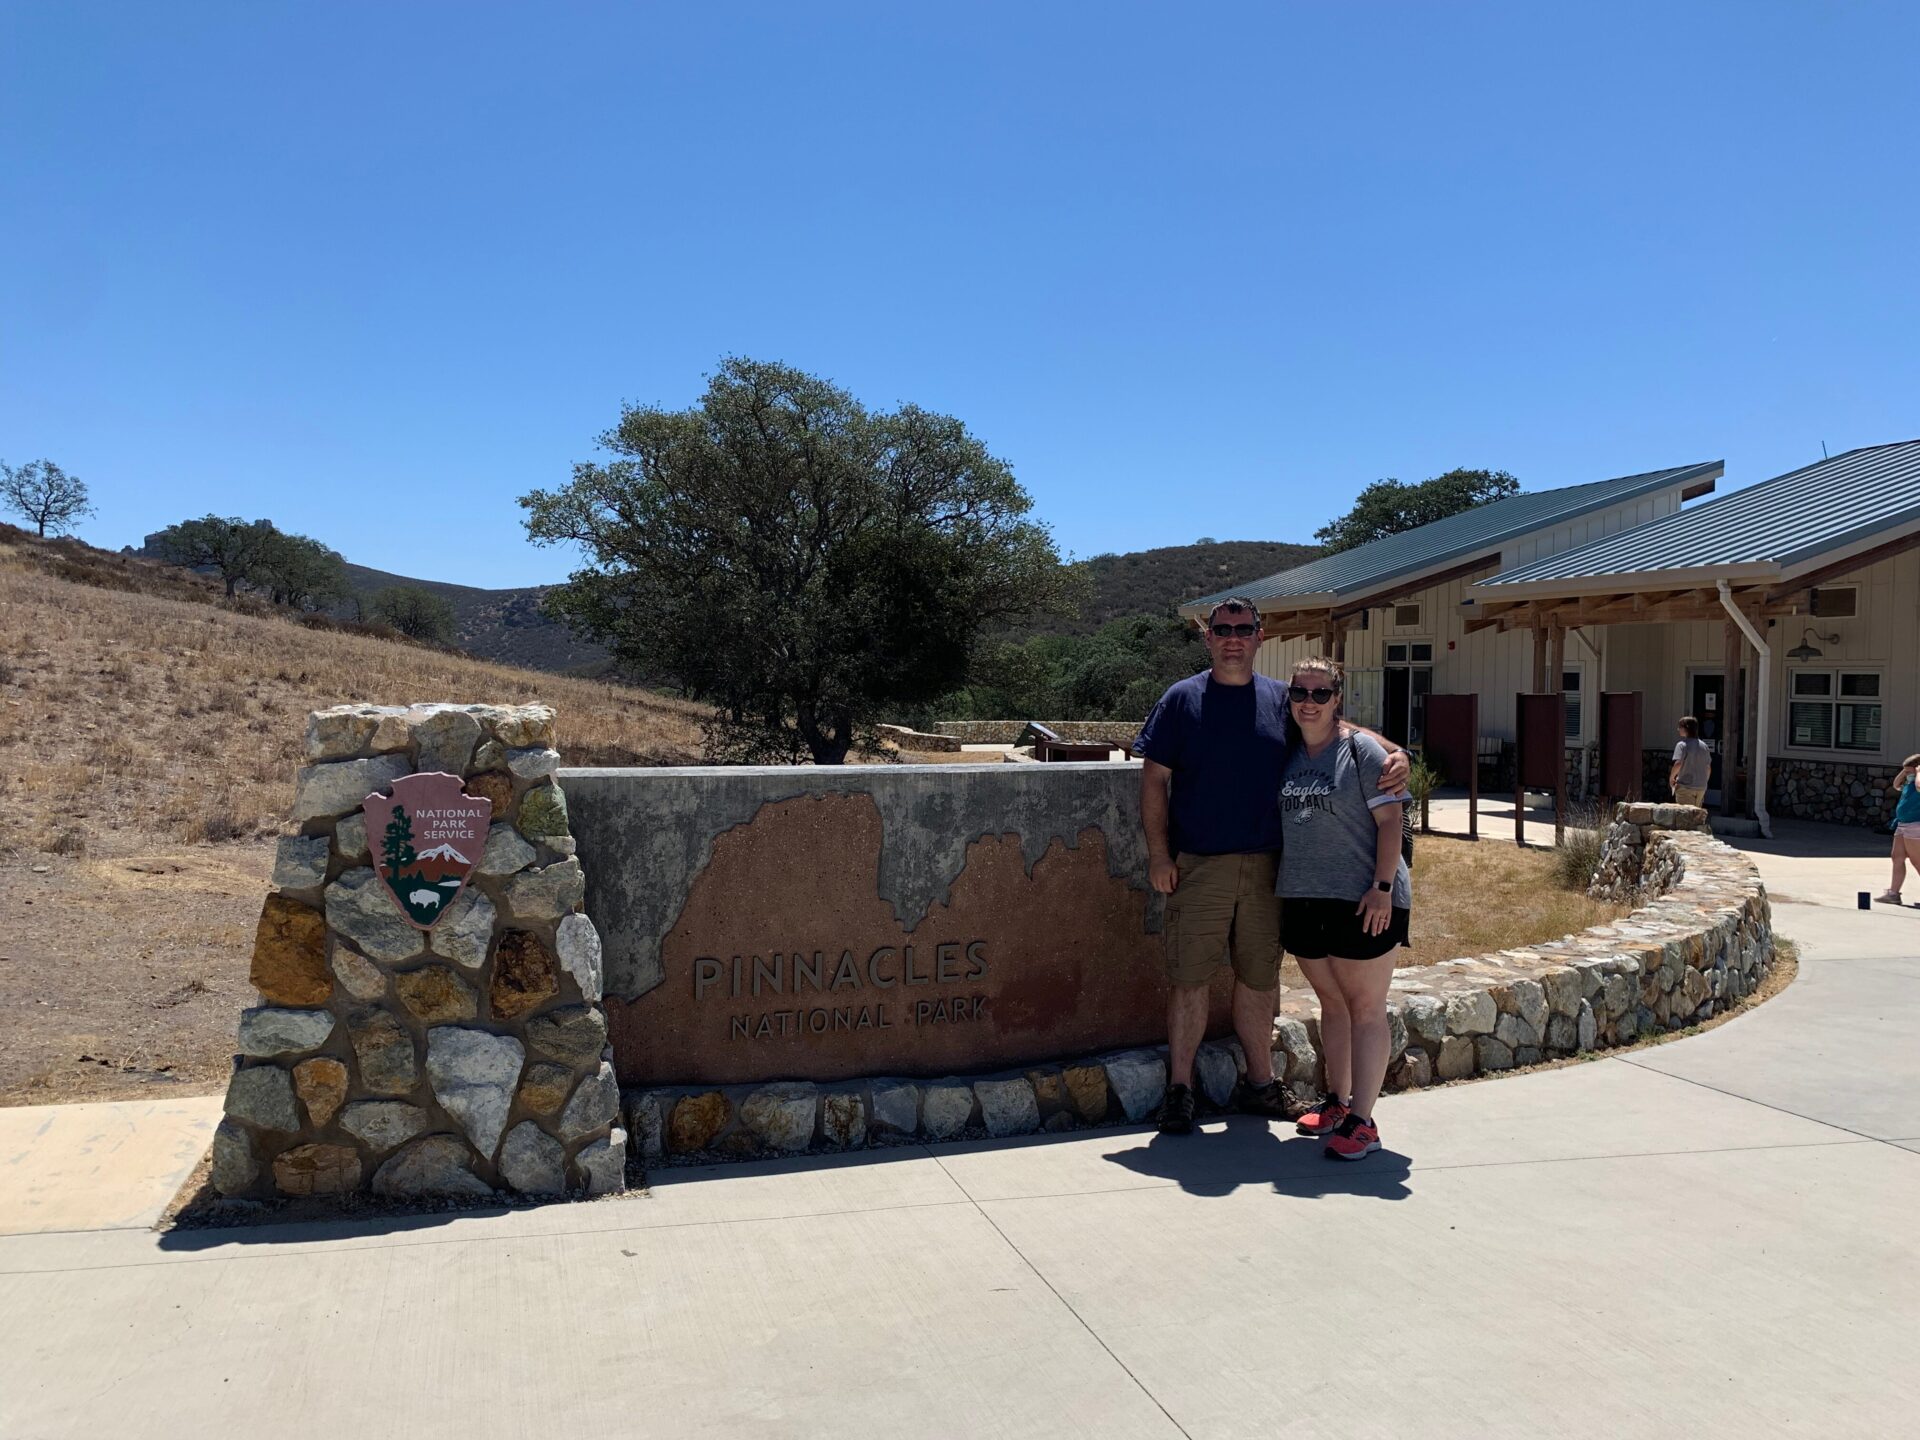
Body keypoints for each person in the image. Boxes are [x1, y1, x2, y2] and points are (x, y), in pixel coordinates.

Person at [1135, 598, 1407, 1136]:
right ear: (1207, 637)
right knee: (1190, 979)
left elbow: (1335, 722)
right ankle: (1181, 1090)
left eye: (1243, 629)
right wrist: (1160, 854)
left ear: (1261, 636)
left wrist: (1397, 752)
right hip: (1200, 866)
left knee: (1259, 979)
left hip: (1270, 870)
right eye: (1222, 629)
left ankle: (1260, 1083)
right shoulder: (1180, 700)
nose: (1232, 637)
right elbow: (1153, 780)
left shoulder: (1282, 699)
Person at [1275, 657, 1411, 1162]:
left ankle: (1364, 1121)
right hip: (1305, 895)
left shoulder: (1362, 752)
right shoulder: (1287, 753)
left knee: (1366, 1007)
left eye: (1320, 693)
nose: (1308, 702)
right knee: (1331, 1004)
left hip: (1364, 899)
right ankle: (1337, 1102)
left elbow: (1392, 822)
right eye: (1299, 693)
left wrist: (1381, 887)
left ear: (1337, 699)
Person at [1875, 753, 1920, 905]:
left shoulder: (1918, 783)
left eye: (1909, 772)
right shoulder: (1908, 784)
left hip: (1915, 825)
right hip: (1902, 824)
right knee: (1897, 857)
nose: (1906, 775)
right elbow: (1896, 784)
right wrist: (1905, 770)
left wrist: (1919, 772)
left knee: (1917, 861)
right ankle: (1893, 893)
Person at [1670, 716, 1712, 808]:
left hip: (1685, 787)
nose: (1678, 729)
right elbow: (1708, 768)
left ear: (1686, 728)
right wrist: (1704, 781)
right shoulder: (1704, 746)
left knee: (1685, 818)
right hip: (1701, 788)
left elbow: (1678, 764)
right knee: (1696, 817)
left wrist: (1671, 778)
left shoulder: (1682, 745)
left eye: (1680, 727)